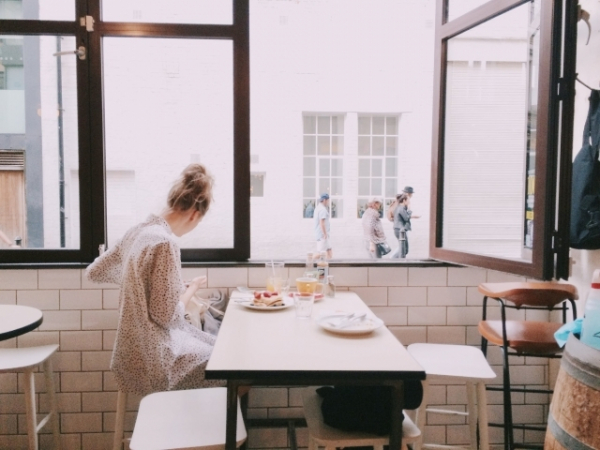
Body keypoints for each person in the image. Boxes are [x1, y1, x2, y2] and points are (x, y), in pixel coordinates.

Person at [85, 164, 224, 396]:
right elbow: (166, 315)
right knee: (234, 367)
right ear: (194, 214)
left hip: (129, 355)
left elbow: (95, 271)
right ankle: (205, 430)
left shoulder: (137, 231)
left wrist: (144, 284)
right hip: (157, 360)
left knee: (221, 351)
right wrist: (189, 291)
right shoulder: (164, 243)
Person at [391, 193, 411, 259]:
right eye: (408, 200)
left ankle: (396, 259)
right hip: (400, 230)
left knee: (403, 248)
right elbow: (406, 218)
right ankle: (393, 259)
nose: (409, 202)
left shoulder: (398, 207)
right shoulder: (401, 208)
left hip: (397, 229)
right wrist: (409, 210)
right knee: (404, 249)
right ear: (404, 200)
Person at [314, 193, 332, 259]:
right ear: (324, 200)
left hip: (321, 234)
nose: (328, 202)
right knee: (320, 253)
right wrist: (325, 234)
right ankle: (308, 262)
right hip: (322, 235)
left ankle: (330, 266)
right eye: (328, 200)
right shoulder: (322, 210)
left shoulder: (318, 208)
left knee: (329, 251)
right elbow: (322, 222)